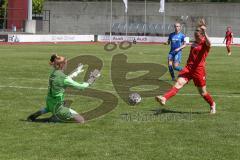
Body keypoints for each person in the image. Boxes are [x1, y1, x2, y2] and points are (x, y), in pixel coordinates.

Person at [156, 19, 216, 114]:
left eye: (197, 35)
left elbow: (210, 43)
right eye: (195, 35)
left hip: (198, 71)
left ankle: (212, 104)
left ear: (202, 35)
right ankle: (164, 98)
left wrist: (205, 31)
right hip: (188, 68)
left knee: (203, 93)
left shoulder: (205, 44)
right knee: (178, 84)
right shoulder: (195, 42)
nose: (195, 37)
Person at [27, 54, 99, 123]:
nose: (66, 65)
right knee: (81, 120)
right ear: (62, 65)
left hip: (49, 102)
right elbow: (80, 87)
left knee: (62, 103)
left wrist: (76, 72)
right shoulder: (64, 78)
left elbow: (65, 79)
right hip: (58, 108)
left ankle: (41, 112)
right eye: (66, 64)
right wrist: (91, 80)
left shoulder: (53, 73)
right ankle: (53, 119)